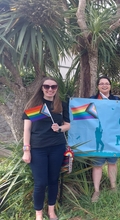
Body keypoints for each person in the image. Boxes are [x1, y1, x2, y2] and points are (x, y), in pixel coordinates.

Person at [22, 77, 70, 220]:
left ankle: (51, 211)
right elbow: (27, 130)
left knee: (53, 180)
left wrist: (60, 128)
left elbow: (68, 125)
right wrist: (26, 150)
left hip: (57, 147)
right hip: (38, 149)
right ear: (42, 87)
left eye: (53, 86)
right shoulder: (34, 105)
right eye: (47, 86)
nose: (50, 89)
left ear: (57, 88)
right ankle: (39, 214)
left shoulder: (61, 105)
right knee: (41, 182)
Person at [90, 76, 120, 202]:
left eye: (107, 83)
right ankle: (96, 191)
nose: (104, 85)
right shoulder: (92, 100)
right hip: (98, 137)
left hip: (113, 138)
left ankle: (113, 187)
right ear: (98, 86)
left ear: (110, 86)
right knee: (97, 165)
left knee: (112, 163)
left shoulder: (116, 99)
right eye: (101, 83)